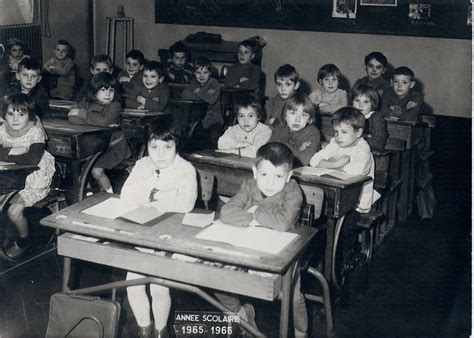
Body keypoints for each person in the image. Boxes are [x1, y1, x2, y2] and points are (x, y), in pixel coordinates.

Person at [216, 142, 309, 337]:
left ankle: (302, 331)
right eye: (264, 174)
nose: (270, 183)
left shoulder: (293, 192)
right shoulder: (249, 185)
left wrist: (255, 212)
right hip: (248, 247)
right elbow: (226, 212)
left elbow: (283, 223)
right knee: (215, 278)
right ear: (255, 172)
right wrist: (252, 218)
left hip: (283, 255)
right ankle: (240, 314)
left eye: (278, 176)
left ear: (289, 176)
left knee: (291, 296)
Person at [120, 117, 197, 338]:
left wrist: (148, 197)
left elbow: (185, 204)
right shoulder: (143, 165)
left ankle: (161, 331)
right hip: (141, 234)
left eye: (167, 147)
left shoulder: (186, 169)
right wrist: (157, 191)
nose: (160, 154)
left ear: (177, 146)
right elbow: (127, 195)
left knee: (159, 287)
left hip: (170, 237)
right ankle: (145, 329)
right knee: (133, 283)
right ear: (147, 147)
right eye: (154, 147)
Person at [309, 107, 379, 281]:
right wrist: (336, 163)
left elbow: (356, 173)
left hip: (355, 203)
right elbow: (314, 160)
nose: (338, 136)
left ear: (358, 132)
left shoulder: (363, 149)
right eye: (336, 131)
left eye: (344, 132)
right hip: (331, 196)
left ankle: (340, 270)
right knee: (315, 224)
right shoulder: (335, 143)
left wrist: (331, 164)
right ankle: (317, 264)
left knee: (346, 230)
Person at [0, 93, 55, 259]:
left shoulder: (34, 131)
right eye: (11, 114)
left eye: (21, 114)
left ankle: (24, 242)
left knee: (14, 211)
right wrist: (16, 153)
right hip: (11, 174)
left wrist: (7, 153)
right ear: (4, 115)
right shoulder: (2, 130)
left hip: (35, 177)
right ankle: (8, 235)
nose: (15, 119)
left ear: (30, 115)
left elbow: (32, 159)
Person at [68, 72, 131, 193]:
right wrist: (94, 120)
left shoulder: (115, 106)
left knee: (96, 171)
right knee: (81, 166)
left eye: (111, 90)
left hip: (115, 146)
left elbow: (104, 120)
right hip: (95, 145)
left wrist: (82, 114)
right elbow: (72, 117)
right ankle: (89, 193)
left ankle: (110, 194)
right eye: (103, 90)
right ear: (94, 91)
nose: (108, 94)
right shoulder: (88, 103)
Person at [270, 93, 321, 166]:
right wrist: (297, 150)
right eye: (293, 113)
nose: (297, 120)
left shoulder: (313, 133)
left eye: (303, 115)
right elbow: (266, 152)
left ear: (309, 119)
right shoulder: (280, 127)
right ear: (285, 115)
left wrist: (279, 144)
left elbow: (302, 161)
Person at [181, 57, 222, 147]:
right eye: (198, 73)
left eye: (205, 72)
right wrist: (204, 94)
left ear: (210, 73)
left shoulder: (214, 83)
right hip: (196, 116)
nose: (201, 76)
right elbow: (184, 94)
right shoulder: (193, 82)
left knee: (214, 136)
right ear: (194, 73)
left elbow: (211, 100)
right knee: (189, 132)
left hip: (213, 117)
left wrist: (198, 91)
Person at [349, 83, 387, 150]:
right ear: (352, 102)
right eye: (357, 101)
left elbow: (378, 143)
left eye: (366, 102)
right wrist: (367, 136)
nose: (360, 105)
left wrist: (355, 140)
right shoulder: (349, 116)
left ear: (372, 104)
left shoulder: (376, 118)